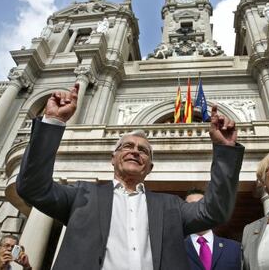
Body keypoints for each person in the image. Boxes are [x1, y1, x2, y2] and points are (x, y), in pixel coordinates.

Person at [16, 84, 244, 269]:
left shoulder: (171, 207)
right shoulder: (82, 195)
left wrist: (225, 151)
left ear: (149, 167)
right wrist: (53, 122)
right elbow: (32, 187)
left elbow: (215, 211)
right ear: (113, 159)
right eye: (127, 147)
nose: (135, 151)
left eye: (143, 150)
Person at [184, 189, 241, 270]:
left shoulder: (234, 248)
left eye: (202, 205)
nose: (197, 211)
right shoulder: (175, 251)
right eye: (191, 207)